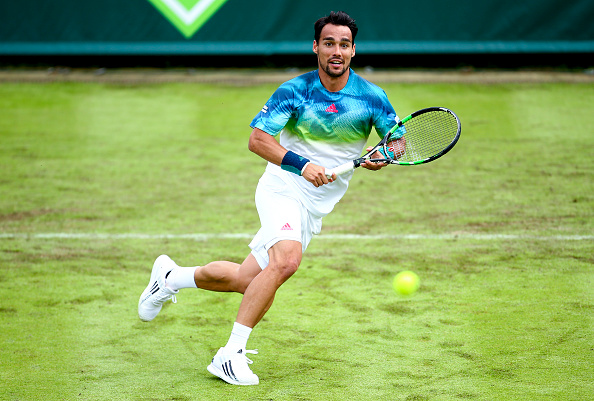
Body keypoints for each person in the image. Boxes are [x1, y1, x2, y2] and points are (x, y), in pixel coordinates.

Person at [138, 10, 404, 386]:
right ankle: (230, 354)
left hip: (315, 205)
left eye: (344, 44)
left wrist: (384, 156)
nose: (336, 51)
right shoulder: (295, 91)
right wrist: (302, 164)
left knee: (248, 280)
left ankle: (170, 278)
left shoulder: (372, 98)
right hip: (282, 187)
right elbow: (258, 140)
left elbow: (398, 141)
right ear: (316, 47)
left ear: (353, 51)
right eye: (329, 43)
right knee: (286, 261)